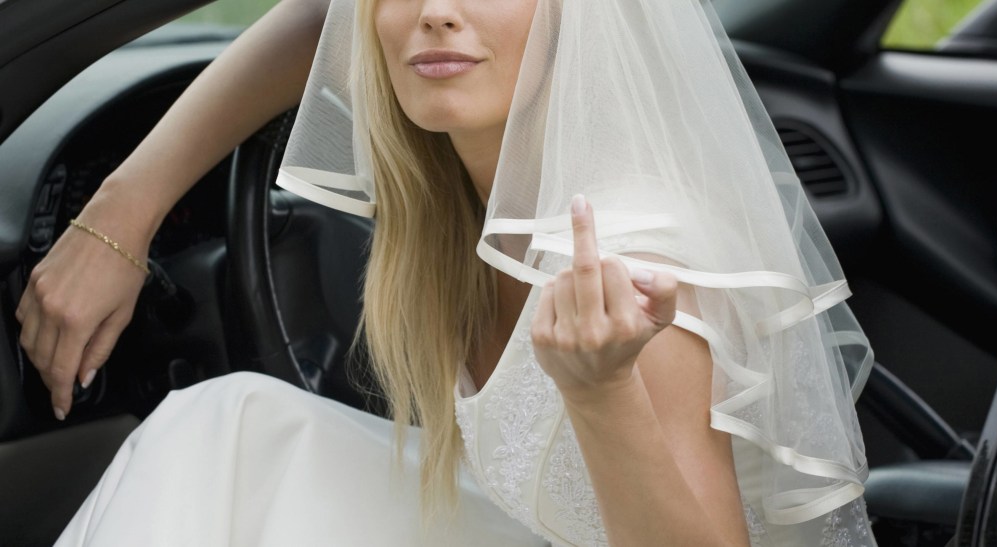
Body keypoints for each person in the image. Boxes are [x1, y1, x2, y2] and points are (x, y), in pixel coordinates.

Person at [20, 0, 878, 545]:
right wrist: (118, 216)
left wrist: (600, 392)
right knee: (227, 426)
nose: (434, 13)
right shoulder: (465, 138)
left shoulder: (627, 256)